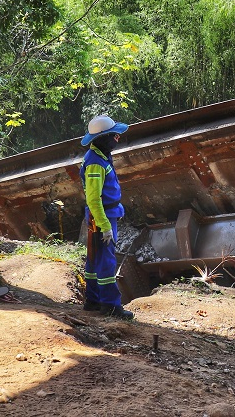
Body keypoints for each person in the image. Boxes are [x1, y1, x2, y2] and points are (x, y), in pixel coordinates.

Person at [80, 114, 134, 319]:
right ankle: (111, 306)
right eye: (114, 136)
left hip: (104, 214)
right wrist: (105, 225)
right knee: (106, 262)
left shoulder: (100, 156)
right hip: (102, 216)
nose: (117, 138)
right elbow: (94, 200)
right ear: (103, 138)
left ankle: (93, 301)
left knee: (95, 260)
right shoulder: (95, 163)